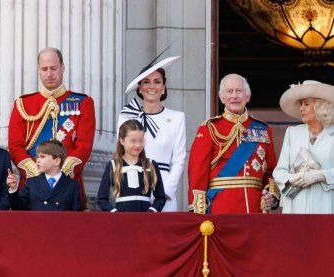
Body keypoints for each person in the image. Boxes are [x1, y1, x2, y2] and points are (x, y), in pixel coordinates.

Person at [8, 47, 95, 207]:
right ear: (38, 70)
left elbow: (84, 145)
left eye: (54, 68)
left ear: (63, 67)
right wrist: (36, 176)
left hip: (67, 187)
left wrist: (60, 176)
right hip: (31, 187)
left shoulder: (83, 103)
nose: (49, 74)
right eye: (44, 69)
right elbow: (15, 147)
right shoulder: (23, 104)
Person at [188, 73, 279, 214]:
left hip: (256, 208)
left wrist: (271, 195)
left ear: (247, 96)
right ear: (221, 97)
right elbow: (197, 172)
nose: (234, 96)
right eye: (229, 91)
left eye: (239, 91)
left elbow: (271, 170)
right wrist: (199, 211)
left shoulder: (262, 129)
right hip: (221, 206)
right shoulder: (209, 128)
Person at [117, 56, 186, 211]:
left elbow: (179, 159)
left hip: (164, 184)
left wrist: (166, 191)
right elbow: (121, 153)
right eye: (146, 82)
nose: (151, 86)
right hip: (132, 184)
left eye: (157, 81)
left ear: (163, 87)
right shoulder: (127, 115)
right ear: (139, 88)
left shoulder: (177, 117)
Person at [273, 80, 334, 214]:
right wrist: (290, 178)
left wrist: (322, 176)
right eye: (301, 104)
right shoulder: (292, 132)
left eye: (306, 104)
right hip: (295, 207)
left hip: (326, 206)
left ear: (321, 107)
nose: (301, 108)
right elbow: (279, 172)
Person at [98, 120, 166, 212]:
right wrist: (115, 213)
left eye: (141, 140)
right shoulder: (113, 165)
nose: (138, 145)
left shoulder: (151, 165)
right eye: (133, 141)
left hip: (146, 221)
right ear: (122, 141)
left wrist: (151, 211)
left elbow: (161, 197)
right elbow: (102, 199)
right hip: (122, 221)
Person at [7, 140, 82, 211]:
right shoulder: (31, 183)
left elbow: (76, 216)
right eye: (38, 157)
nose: (37, 160)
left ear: (56, 161)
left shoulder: (72, 185)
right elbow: (18, 209)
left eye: (42, 157)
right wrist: (13, 189)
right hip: (37, 224)